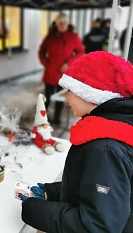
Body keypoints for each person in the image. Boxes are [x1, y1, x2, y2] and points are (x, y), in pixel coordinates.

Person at [19, 51, 133, 232]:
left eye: (70, 91)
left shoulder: (106, 149)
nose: (66, 98)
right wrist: (54, 191)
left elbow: (98, 226)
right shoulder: (109, 127)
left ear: (91, 94)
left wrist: (35, 210)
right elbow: (93, 184)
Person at [38, 13, 84, 126]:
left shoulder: (73, 37)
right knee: (47, 98)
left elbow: (81, 52)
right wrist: (46, 63)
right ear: (56, 25)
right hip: (50, 73)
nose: (62, 25)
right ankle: (43, 119)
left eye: (65, 23)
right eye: (60, 23)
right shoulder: (50, 37)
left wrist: (68, 63)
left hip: (64, 73)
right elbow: (41, 51)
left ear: (68, 24)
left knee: (60, 98)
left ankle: (57, 118)